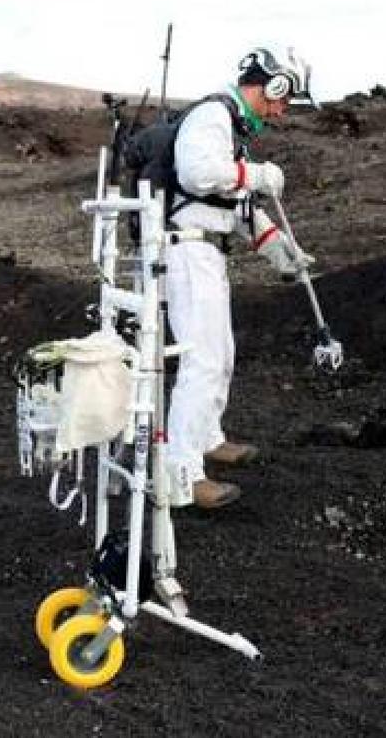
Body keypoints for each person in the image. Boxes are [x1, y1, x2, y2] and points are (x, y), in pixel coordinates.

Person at [166, 46, 317, 508]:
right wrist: (257, 174)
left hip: (207, 249)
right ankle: (180, 474)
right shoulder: (212, 115)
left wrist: (279, 250)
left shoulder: (232, 130)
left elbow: (238, 209)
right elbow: (196, 174)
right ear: (273, 85)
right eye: (283, 99)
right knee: (202, 361)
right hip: (187, 248)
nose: (281, 110)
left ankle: (208, 437)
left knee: (222, 353)